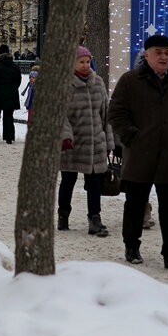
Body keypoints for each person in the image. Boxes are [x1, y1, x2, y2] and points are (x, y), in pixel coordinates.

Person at [108, 34, 168, 271]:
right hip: (139, 153)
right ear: (146, 54)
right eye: (158, 52)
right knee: (135, 203)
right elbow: (115, 113)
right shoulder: (130, 80)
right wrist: (131, 137)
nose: (164, 57)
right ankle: (132, 246)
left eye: (167, 52)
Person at [58, 47, 114, 237]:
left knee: (94, 183)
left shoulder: (98, 83)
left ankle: (94, 218)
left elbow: (106, 115)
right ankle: (63, 214)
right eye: (81, 61)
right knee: (68, 180)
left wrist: (109, 142)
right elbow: (60, 116)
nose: (85, 65)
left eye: (87, 61)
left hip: (95, 143)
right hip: (72, 143)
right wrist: (65, 136)